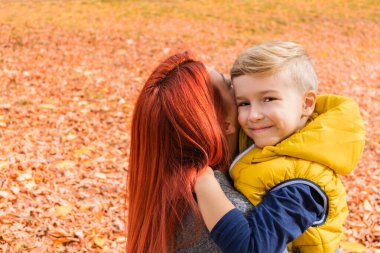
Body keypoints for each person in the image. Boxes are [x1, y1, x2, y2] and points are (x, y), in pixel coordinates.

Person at [194, 41, 366, 253]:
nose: (254, 116)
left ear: (307, 104)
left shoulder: (303, 184)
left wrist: (204, 183)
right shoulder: (270, 139)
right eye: (244, 103)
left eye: (269, 99)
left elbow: (253, 249)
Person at [127, 51, 254, 253]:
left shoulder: (166, 197)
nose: (238, 86)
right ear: (223, 123)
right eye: (229, 84)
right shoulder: (226, 211)